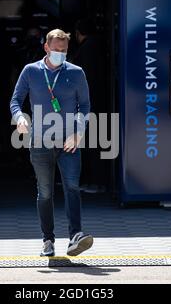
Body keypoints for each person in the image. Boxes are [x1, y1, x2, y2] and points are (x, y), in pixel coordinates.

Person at [10, 28, 94, 257]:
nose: (60, 54)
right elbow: (16, 101)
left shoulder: (76, 73)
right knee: (45, 193)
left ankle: (75, 236)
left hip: (69, 142)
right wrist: (19, 118)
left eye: (64, 51)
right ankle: (48, 239)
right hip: (40, 142)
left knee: (72, 187)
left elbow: (84, 106)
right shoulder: (31, 71)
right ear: (46, 48)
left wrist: (78, 132)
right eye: (56, 50)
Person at [71, 18, 107, 193]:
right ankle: (97, 180)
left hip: (89, 103)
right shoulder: (99, 47)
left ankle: (95, 181)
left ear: (78, 33)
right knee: (98, 141)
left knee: (91, 142)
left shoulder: (87, 50)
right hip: (98, 101)